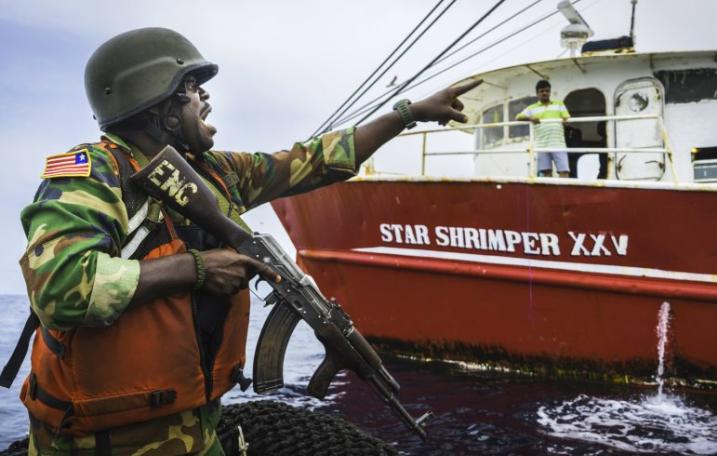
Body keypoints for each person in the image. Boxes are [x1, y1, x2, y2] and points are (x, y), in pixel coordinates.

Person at [9, 28, 481, 455]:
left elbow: (312, 160)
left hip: (197, 429)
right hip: (97, 444)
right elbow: (61, 287)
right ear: (160, 105)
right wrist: (196, 267)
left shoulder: (215, 173)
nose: (204, 97)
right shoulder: (93, 174)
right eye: (191, 88)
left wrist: (407, 114)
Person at [516, 79, 571, 177]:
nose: (544, 93)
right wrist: (530, 118)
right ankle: (549, 192)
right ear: (537, 93)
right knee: (546, 172)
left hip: (558, 144)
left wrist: (565, 120)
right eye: (542, 91)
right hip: (542, 145)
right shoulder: (532, 108)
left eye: (547, 91)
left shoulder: (559, 104)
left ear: (550, 92)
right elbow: (518, 117)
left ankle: (562, 192)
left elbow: (566, 117)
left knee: (564, 171)